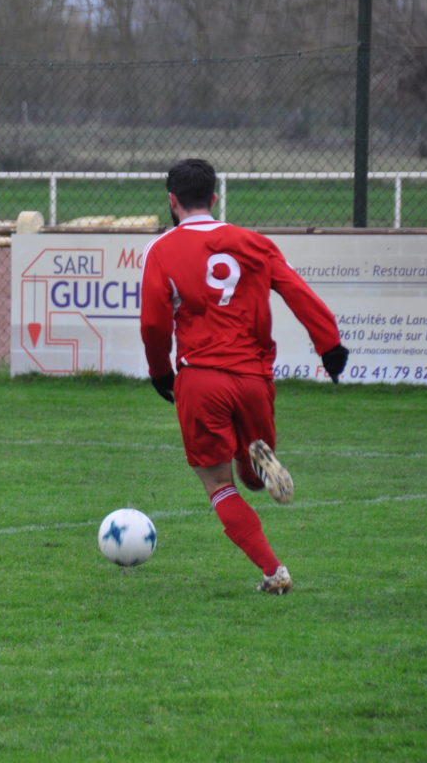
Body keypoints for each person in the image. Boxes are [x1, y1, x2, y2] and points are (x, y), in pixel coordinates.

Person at [139, 158, 348, 595]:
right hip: (254, 378)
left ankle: (274, 572)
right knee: (252, 474)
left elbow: (154, 324)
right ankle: (255, 459)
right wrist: (329, 345)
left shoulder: (162, 250)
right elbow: (297, 291)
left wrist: (160, 372)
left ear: (172, 201)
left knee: (218, 484)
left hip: (201, 379)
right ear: (214, 197)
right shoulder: (255, 243)